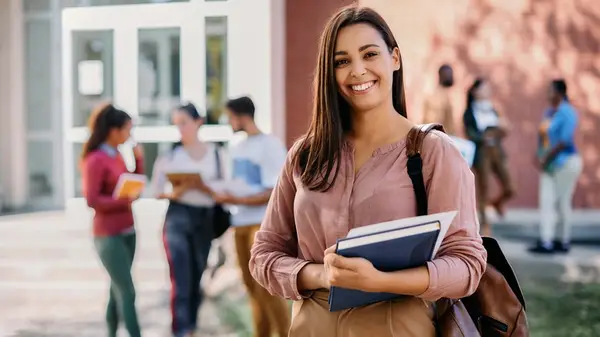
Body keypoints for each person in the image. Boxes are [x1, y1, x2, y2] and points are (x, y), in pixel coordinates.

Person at [248, 5, 486, 336]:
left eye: (369, 54)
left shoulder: (434, 152)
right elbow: (263, 255)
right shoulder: (304, 155)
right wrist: (322, 275)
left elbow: (467, 264)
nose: (357, 70)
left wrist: (382, 281)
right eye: (342, 61)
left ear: (395, 59)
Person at [212, 96, 291, 337]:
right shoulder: (235, 146)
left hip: (262, 224)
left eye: (230, 116)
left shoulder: (270, 145)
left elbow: (276, 191)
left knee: (266, 288)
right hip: (239, 224)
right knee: (251, 290)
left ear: (242, 116)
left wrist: (236, 200)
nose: (229, 122)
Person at [150, 103, 221, 337]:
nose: (180, 128)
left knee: (197, 278)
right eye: (176, 124)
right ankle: (181, 331)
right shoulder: (171, 155)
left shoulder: (217, 154)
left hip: (205, 218)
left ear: (198, 122)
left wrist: (204, 187)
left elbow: (227, 190)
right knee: (180, 280)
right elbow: (156, 190)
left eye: (184, 122)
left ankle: (191, 326)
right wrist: (175, 193)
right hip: (177, 218)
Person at [80, 103, 144, 337]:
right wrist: (125, 200)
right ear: (114, 130)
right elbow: (92, 200)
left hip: (128, 230)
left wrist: (138, 161)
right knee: (127, 291)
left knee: (116, 289)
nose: (130, 135)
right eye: (127, 129)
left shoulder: (116, 155)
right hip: (108, 235)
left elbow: (132, 184)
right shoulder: (96, 159)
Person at [530, 79, 582, 254]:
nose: (547, 94)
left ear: (559, 92)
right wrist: (539, 156)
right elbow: (544, 138)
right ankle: (547, 240)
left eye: (550, 90)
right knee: (547, 201)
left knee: (561, 202)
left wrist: (546, 158)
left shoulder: (567, 112)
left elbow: (564, 141)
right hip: (549, 165)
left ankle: (562, 240)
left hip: (565, 162)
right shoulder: (549, 113)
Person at [462, 78, 514, 235]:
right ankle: (485, 226)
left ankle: (497, 203)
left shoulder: (492, 109)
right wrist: (483, 136)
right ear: (475, 91)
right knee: (483, 190)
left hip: (497, 150)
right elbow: (470, 133)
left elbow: (504, 129)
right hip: (482, 152)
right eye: (484, 88)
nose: (487, 91)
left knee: (510, 187)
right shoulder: (469, 111)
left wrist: (500, 131)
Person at [423, 64, 456, 134]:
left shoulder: (450, 95)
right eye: (447, 74)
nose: (450, 76)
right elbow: (431, 121)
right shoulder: (435, 97)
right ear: (441, 75)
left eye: (450, 74)